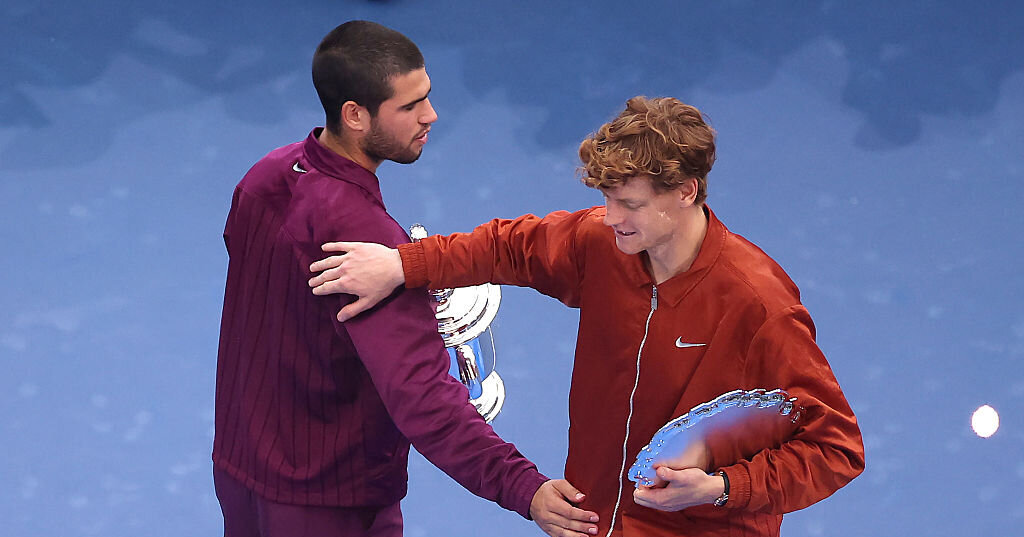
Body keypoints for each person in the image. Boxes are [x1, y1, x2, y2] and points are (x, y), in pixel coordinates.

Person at [307, 96, 866, 536]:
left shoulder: (758, 305)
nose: (610, 217)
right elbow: (508, 247)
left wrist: (721, 487)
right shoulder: (605, 244)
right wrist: (403, 265)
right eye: (607, 199)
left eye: (630, 204)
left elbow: (835, 450)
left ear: (685, 192)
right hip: (593, 524)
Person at [213, 20, 600, 537]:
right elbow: (422, 396)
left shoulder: (265, 174)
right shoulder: (366, 246)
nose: (430, 115)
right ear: (355, 115)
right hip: (329, 504)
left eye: (427, 96)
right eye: (410, 106)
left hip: (242, 471)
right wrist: (522, 486)